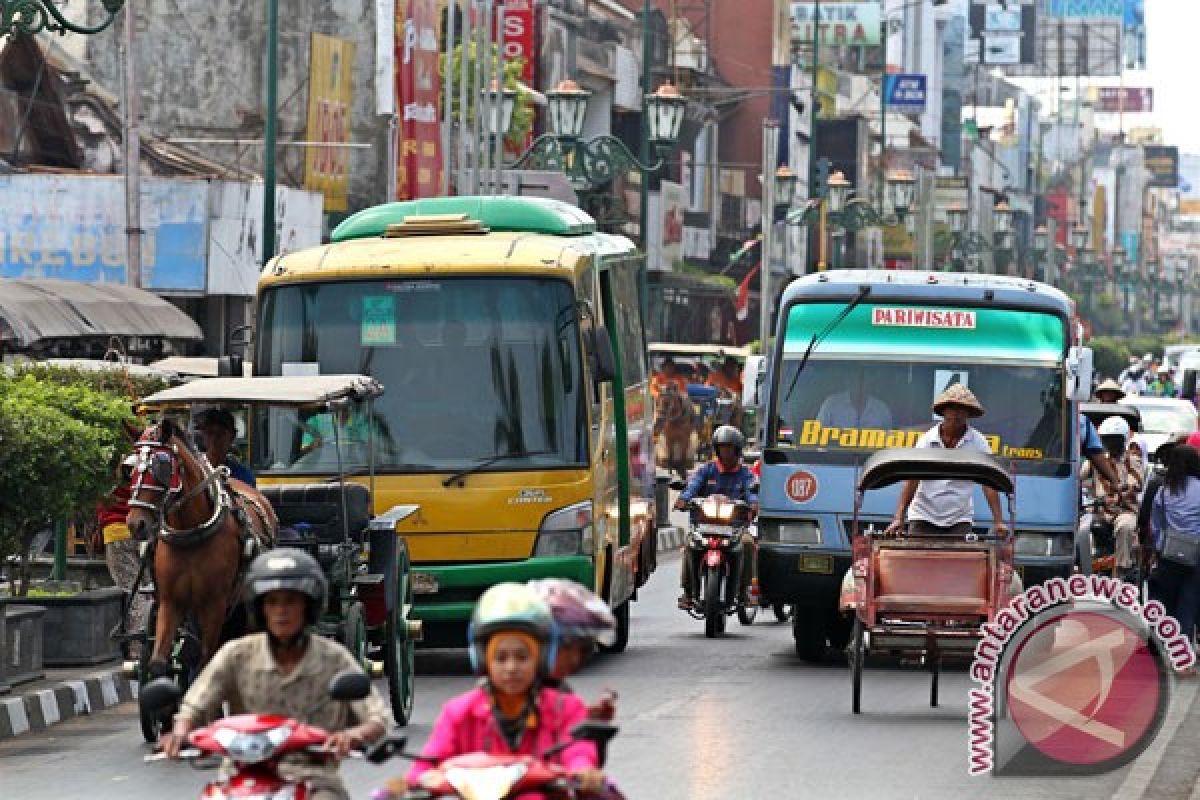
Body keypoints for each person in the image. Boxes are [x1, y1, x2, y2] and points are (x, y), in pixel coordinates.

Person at [161, 549, 389, 798]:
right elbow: (196, 705)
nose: (281, 611)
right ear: (261, 609)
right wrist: (181, 732)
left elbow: (376, 717)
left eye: (290, 601)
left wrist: (353, 735)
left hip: (313, 778)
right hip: (241, 775)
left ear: (308, 606)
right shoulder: (237, 654)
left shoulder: (334, 659)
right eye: (272, 602)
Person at [392, 583, 603, 794]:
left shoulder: (565, 708)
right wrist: (410, 783)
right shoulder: (458, 712)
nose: (511, 668)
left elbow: (579, 751)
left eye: (522, 657)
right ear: (485, 660)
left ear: (540, 659)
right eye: (501, 658)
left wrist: (582, 771)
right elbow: (430, 761)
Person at [886, 385, 1008, 537]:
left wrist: (998, 521)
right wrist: (899, 517)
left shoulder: (978, 442)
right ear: (943, 412)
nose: (956, 414)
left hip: (959, 518)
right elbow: (912, 480)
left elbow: (989, 483)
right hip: (923, 515)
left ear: (968, 414)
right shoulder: (927, 440)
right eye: (952, 408)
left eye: (962, 409)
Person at [674, 425, 758, 609]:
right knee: (689, 546)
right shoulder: (707, 470)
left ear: (737, 450)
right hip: (704, 526)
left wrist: (753, 503)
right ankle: (688, 593)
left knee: (748, 544)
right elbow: (693, 486)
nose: (726, 452)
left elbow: (751, 490)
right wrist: (683, 499)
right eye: (722, 448)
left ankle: (743, 591)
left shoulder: (744, 473)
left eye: (729, 448)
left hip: (735, 527)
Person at [527, 578, 618, 720]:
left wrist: (589, 716)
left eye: (583, 650)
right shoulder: (507, 693)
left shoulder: (558, 689)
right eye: (566, 646)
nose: (575, 659)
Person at [1150, 444, 1200, 674]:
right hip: (1196, 555)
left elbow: (1156, 524)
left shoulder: (1164, 490)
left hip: (1169, 554)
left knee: (1169, 602)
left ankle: (1169, 649)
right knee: (1188, 603)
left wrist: (1161, 547)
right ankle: (1184, 658)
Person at [1081, 416, 1144, 578]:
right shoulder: (1096, 460)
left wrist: (1122, 492)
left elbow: (1134, 484)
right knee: (1081, 530)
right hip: (1098, 511)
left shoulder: (1132, 460)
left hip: (1124, 511)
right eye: (1107, 440)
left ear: (1123, 440)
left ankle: (1121, 571)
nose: (1110, 444)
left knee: (1126, 527)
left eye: (1114, 440)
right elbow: (1078, 477)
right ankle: (1083, 570)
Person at [99, 457, 148, 658]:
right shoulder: (143, 482)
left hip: (117, 535)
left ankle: (137, 649)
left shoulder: (108, 483)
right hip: (143, 536)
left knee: (132, 592)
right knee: (146, 589)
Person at [196, 408, 256, 486]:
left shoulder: (244, 477)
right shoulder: (194, 471)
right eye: (210, 433)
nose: (214, 439)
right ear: (203, 435)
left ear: (232, 437)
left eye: (221, 433)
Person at [815, 378, 894, 430]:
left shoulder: (881, 408)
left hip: (874, 455)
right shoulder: (831, 403)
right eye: (855, 380)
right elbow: (817, 433)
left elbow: (889, 438)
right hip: (836, 454)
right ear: (847, 381)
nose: (859, 385)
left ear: (870, 383)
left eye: (863, 381)